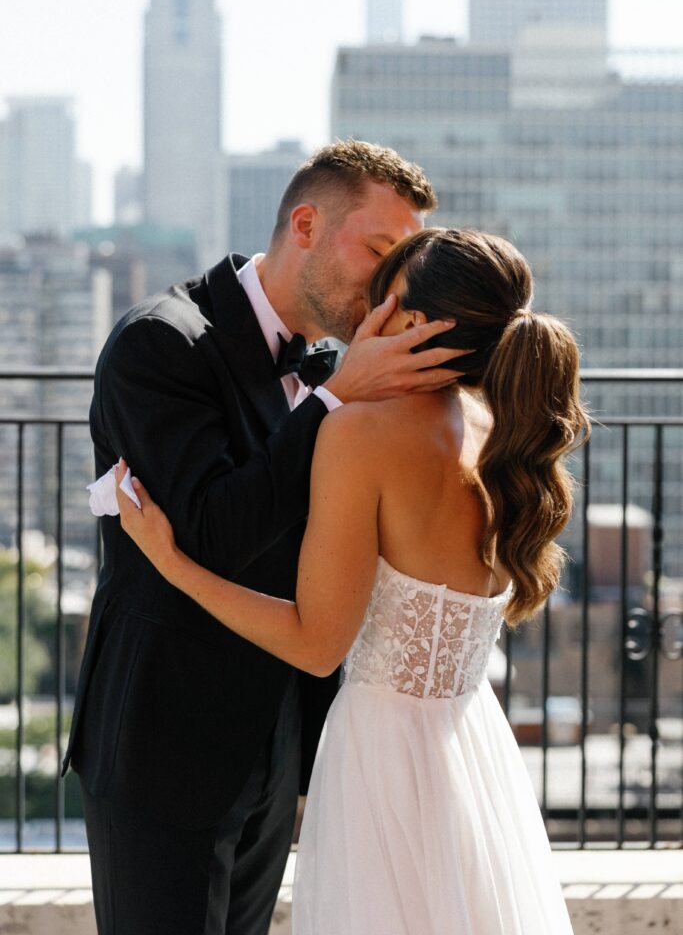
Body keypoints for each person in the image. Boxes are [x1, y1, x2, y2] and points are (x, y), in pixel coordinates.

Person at [115, 227, 590, 935]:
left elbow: (315, 645)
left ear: (408, 323)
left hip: (382, 758)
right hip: (473, 748)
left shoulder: (360, 434)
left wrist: (171, 563)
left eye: (381, 295)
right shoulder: (501, 428)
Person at [62, 141, 465, 935]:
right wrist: (335, 402)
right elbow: (212, 532)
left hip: (274, 746)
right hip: (162, 746)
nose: (388, 284)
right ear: (305, 224)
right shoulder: (160, 342)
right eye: (378, 252)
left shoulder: (333, 367)